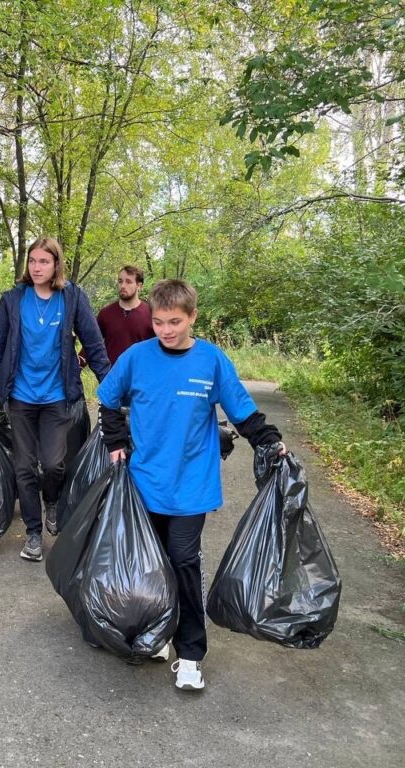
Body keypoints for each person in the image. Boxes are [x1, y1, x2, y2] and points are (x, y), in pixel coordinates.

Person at [96, 279, 285, 691]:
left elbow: (243, 413)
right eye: (160, 322)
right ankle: (158, 631)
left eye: (175, 322)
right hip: (144, 481)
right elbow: (108, 399)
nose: (166, 330)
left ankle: (191, 655)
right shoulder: (136, 358)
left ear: (193, 317)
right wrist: (115, 442)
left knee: (183, 562)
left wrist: (270, 442)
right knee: (149, 563)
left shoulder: (211, 361)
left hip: (191, 485)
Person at [0, 237, 110, 561]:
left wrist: (112, 386)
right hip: (20, 396)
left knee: (52, 463)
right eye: (33, 261)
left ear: (56, 265)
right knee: (23, 465)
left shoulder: (72, 298)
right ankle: (33, 533)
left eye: (44, 262)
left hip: (57, 397)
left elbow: (93, 344)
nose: (36, 267)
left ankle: (52, 499)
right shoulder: (13, 300)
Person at [93, 265, 155, 365]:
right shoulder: (105, 314)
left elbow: (160, 348)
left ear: (139, 286)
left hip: (141, 376)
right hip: (111, 376)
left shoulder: (151, 314)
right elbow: (92, 342)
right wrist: (78, 363)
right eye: (120, 281)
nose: (123, 286)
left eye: (128, 282)